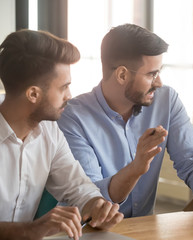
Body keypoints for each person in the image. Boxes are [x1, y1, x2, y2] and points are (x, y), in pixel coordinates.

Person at [57, 23, 193, 221]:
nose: (159, 83)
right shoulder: (73, 117)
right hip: (88, 230)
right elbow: (91, 197)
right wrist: (136, 167)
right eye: (151, 74)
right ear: (122, 74)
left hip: (144, 227)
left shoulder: (166, 100)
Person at [0, 29, 123, 240]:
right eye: (64, 87)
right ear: (33, 94)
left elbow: (76, 186)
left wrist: (97, 206)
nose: (69, 95)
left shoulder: (49, 132)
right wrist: (31, 230)